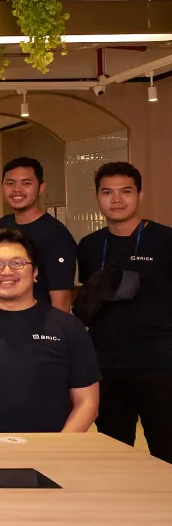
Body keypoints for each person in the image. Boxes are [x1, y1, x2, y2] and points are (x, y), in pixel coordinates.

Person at [0, 229, 101, 433]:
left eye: (17, 263)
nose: (6, 271)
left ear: (35, 272)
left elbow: (87, 402)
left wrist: (59, 446)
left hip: (52, 447)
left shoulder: (68, 327)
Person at [77, 162, 172, 463]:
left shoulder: (165, 240)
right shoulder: (90, 246)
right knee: (114, 453)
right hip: (107, 365)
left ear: (140, 195)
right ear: (97, 197)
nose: (116, 199)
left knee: (166, 450)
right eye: (107, 192)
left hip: (160, 365)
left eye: (125, 191)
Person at [0, 157, 77, 312]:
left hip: (39, 323)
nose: (17, 189)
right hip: (0, 318)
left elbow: (61, 303)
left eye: (26, 183)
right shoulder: (2, 226)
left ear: (41, 188)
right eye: (10, 183)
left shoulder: (57, 235)